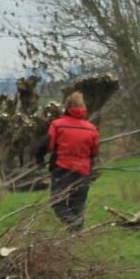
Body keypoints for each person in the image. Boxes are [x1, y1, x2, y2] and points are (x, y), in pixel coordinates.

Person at [45, 93, 100, 230]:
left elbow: (49, 145)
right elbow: (94, 152)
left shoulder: (57, 125)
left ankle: (75, 227)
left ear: (67, 107)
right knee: (78, 206)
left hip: (62, 169)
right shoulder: (91, 128)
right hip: (83, 171)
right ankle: (78, 234)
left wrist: (38, 157)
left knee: (57, 202)